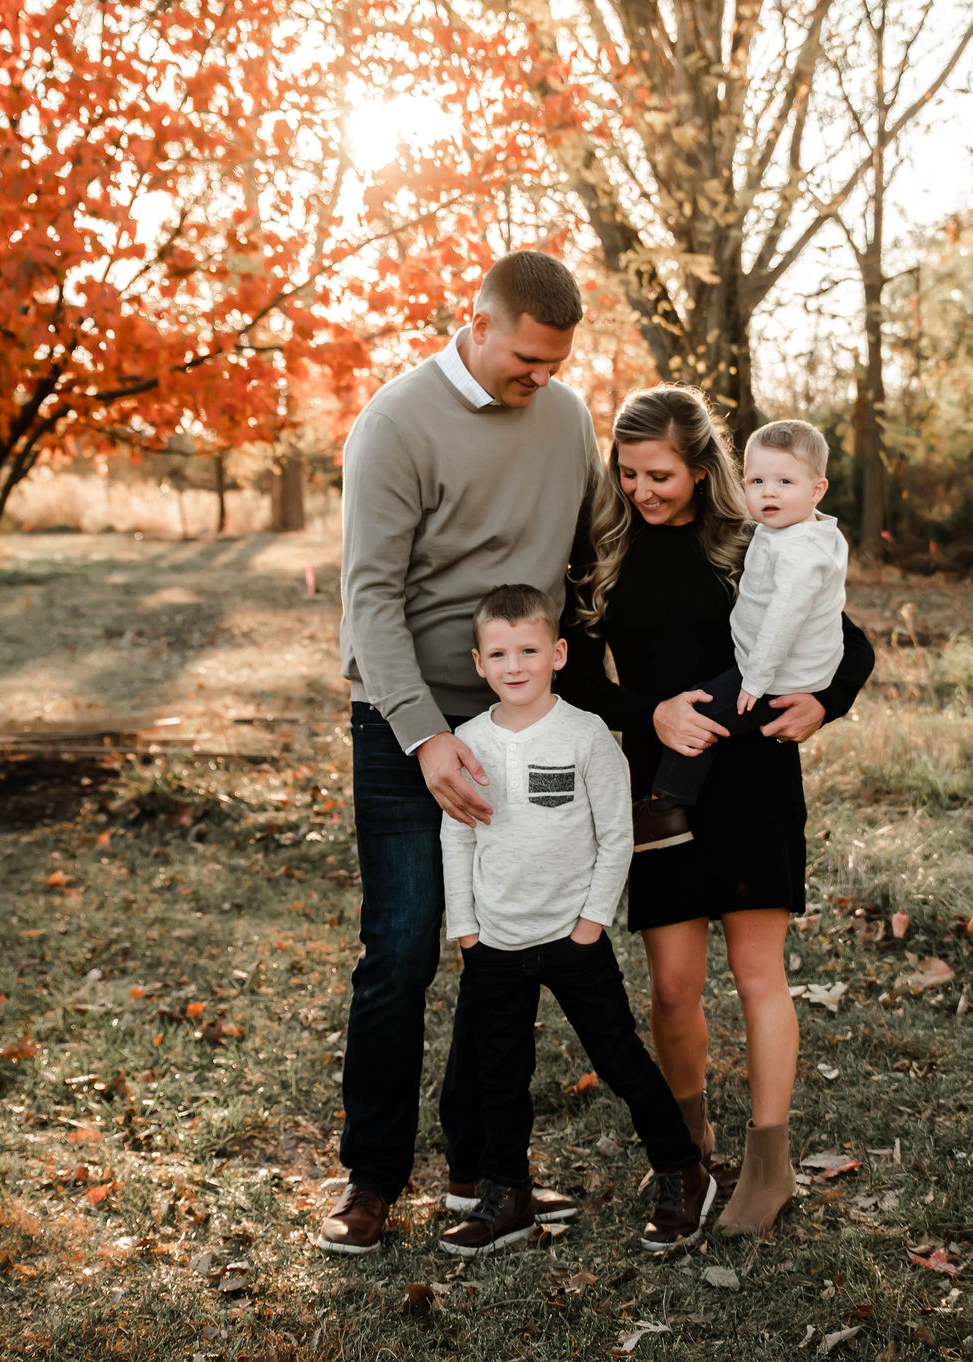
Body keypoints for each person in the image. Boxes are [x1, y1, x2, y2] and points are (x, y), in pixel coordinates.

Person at [320, 251, 598, 1255]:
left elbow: (591, 553)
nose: (541, 379)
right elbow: (370, 600)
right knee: (401, 950)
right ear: (473, 325)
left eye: (555, 362)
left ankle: (478, 1165)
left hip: (518, 721)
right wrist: (425, 736)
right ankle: (372, 1178)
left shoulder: (566, 417)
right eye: (526, 359)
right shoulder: (395, 424)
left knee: (507, 951)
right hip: (405, 721)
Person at [559, 386, 875, 1238]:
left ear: (703, 470)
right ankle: (686, 1152)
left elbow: (849, 640)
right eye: (625, 473)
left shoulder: (754, 542)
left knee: (757, 972)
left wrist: (825, 703)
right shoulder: (601, 556)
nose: (640, 490)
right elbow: (577, 678)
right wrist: (649, 712)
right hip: (658, 784)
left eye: (658, 474)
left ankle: (769, 1166)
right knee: (671, 984)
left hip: (753, 783)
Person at [436, 585, 714, 1257]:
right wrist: (466, 929)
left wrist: (592, 921)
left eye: (529, 650)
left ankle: (684, 1170)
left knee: (619, 1059)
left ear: (558, 653)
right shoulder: (466, 743)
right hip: (496, 941)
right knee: (500, 1074)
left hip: (572, 937)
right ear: (479, 663)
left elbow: (617, 836)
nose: (515, 665)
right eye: (499, 653)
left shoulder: (585, 734)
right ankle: (511, 1196)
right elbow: (458, 839)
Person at [638, 418, 846, 842]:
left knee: (701, 717)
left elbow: (783, 618)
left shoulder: (800, 552)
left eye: (784, 481)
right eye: (756, 480)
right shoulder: (788, 531)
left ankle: (665, 807)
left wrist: (755, 680)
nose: (768, 492)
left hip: (775, 677)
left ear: (816, 490)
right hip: (774, 668)